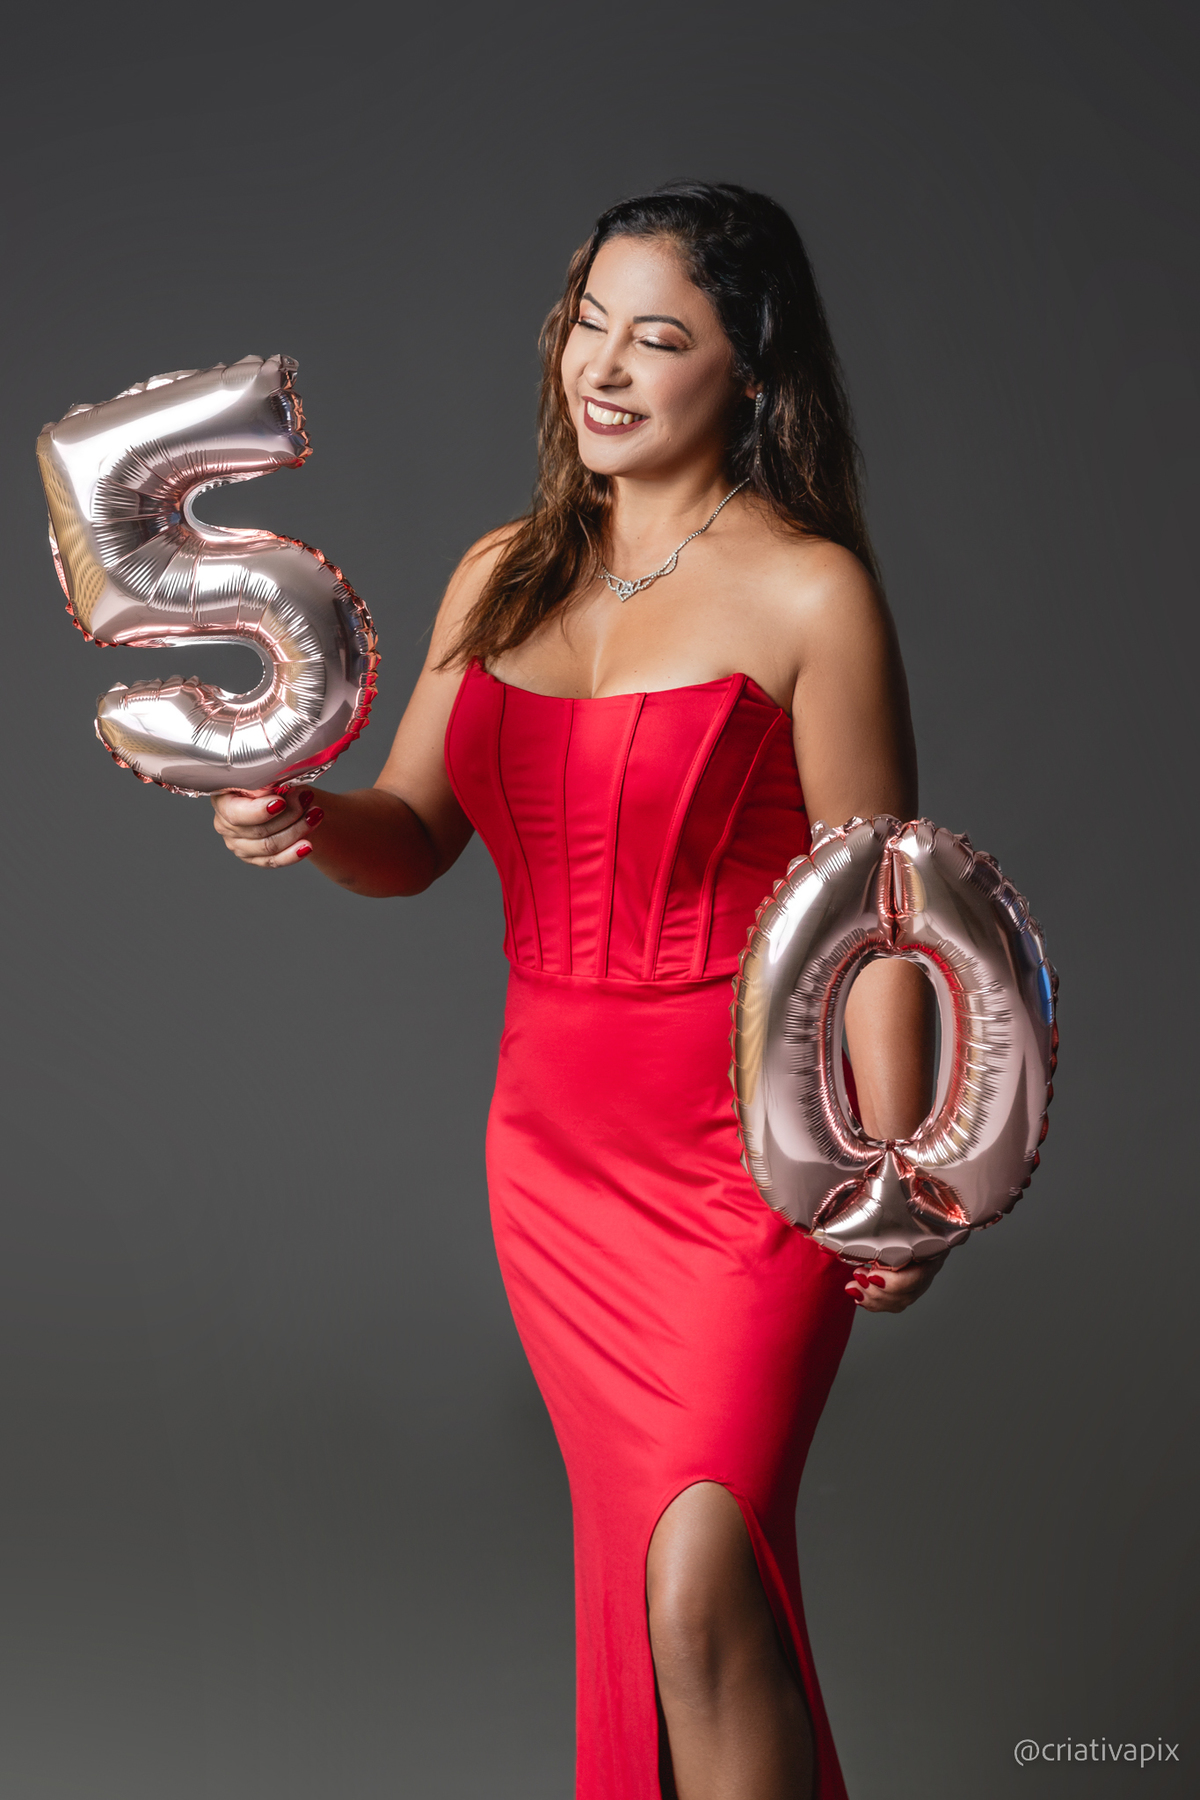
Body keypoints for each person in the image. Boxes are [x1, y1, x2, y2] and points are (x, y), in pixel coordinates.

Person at [211, 182, 944, 1800]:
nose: (604, 368)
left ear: (752, 370)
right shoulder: (502, 574)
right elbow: (414, 837)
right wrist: (303, 816)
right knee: (653, 1592)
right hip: (551, 1165)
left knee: (700, 1579)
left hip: (752, 1161)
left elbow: (879, 915)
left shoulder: (811, 592)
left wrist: (899, 1172)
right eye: (587, 325)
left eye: (659, 337)